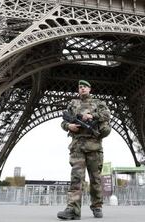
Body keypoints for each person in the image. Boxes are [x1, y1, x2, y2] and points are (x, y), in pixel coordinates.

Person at [57, 80, 111, 220]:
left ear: (90, 89)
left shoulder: (99, 103)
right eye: (80, 87)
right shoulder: (73, 104)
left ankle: (97, 206)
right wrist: (68, 126)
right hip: (77, 146)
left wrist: (92, 116)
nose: (82, 89)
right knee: (76, 178)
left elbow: (107, 115)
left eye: (85, 87)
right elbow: (63, 122)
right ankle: (73, 210)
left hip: (94, 146)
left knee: (96, 179)